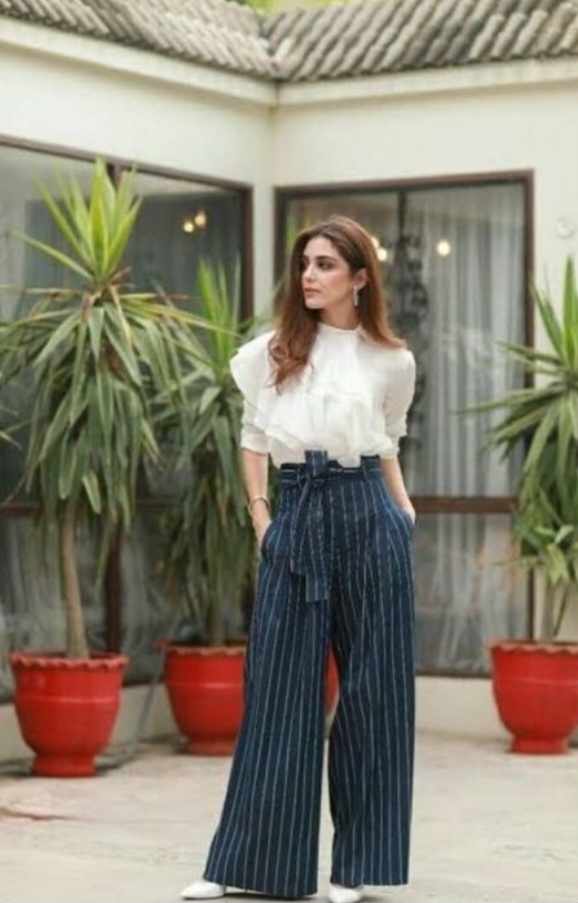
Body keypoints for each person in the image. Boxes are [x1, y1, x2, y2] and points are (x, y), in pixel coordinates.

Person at [180, 214, 417, 903]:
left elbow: (387, 441)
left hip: (369, 513)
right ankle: (246, 865)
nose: (309, 276)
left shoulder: (392, 360)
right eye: (305, 263)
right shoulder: (272, 351)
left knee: (374, 695)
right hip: (297, 510)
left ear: (360, 278)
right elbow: (254, 438)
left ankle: (356, 867)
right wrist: (262, 518)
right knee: (278, 691)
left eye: (325, 264)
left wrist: (403, 515)